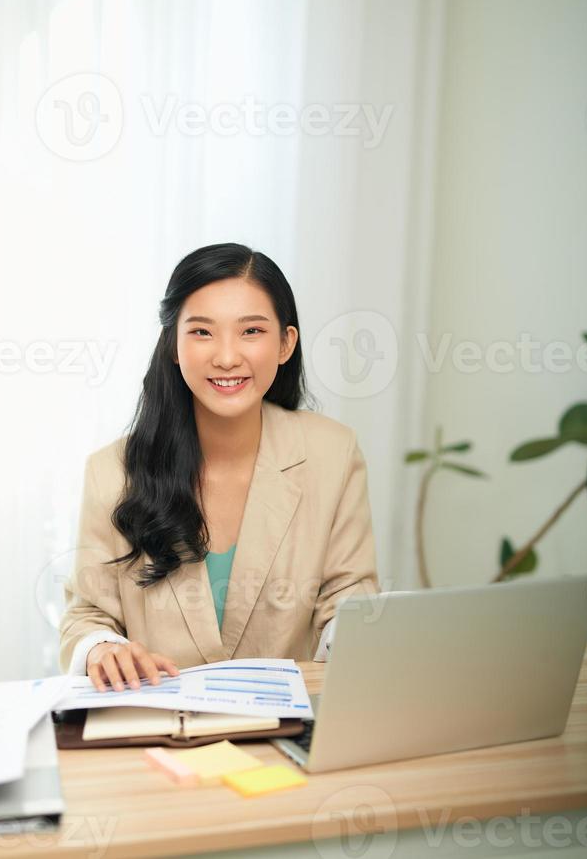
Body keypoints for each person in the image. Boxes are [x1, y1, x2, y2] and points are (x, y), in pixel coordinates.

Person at [59, 242, 379, 692]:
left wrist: (358, 637)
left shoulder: (333, 452)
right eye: (202, 332)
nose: (227, 357)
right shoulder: (112, 471)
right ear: (172, 345)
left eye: (251, 331)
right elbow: (87, 614)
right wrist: (102, 648)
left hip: (284, 727)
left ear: (286, 343)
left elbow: (349, 601)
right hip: (161, 731)